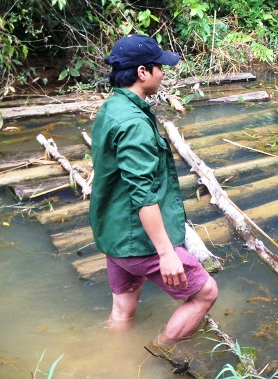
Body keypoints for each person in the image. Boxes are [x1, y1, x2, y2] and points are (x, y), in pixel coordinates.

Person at [89, 34, 218, 348]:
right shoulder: (133, 123)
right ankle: (157, 352)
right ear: (142, 72)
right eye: (159, 66)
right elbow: (143, 196)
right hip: (138, 241)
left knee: (122, 311)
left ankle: (112, 359)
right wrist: (166, 254)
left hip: (113, 234)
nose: (164, 72)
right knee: (206, 294)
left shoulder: (112, 108)